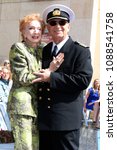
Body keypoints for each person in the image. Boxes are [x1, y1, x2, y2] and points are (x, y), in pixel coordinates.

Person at [32, 4, 93, 150]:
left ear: (68, 26)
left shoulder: (80, 51)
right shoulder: (44, 51)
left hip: (66, 122)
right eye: (53, 23)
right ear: (48, 27)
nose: (57, 26)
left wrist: (51, 77)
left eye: (62, 22)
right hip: (44, 121)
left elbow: (83, 80)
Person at [7, 13, 64, 150]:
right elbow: (22, 77)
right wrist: (49, 71)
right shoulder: (18, 48)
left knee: (36, 146)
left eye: (39, 29)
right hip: (22, 107)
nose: (36, 32)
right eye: (31, 28)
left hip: (38, 107)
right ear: (23, 32)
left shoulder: (42, 49)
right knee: (25, 147)